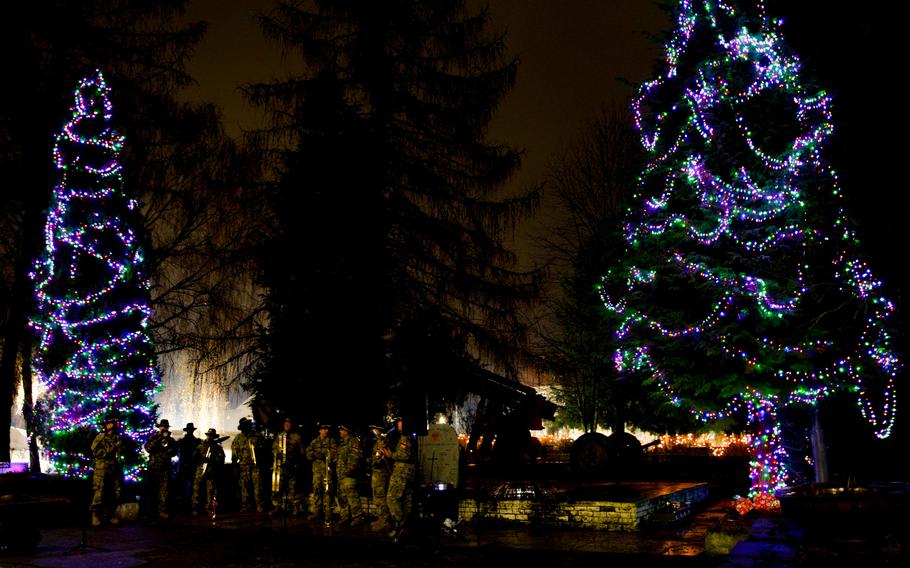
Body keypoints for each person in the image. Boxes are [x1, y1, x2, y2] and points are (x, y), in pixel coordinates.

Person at [384, 416, 415, 539]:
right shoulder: (411, 436)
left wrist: (390, 454)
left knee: (391, 498)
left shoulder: (405, 437)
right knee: (406, 500)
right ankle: (405, 528)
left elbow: (403, 455)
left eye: (401, 422)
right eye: (397, 422)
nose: (398, 424)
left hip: (401, 472)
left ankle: (400, 524)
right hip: (408, 473)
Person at [90, 415, 125, 526]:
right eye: (110, 423)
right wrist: (110, 450)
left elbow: (120, 452)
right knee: (99, 492)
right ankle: (95, 515)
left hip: (114, 468)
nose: (112, 426)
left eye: (113, 424)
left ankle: (111, 515)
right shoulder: (100, 437)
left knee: (115, 492)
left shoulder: (117, 437)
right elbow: (95, 452)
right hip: (102, 468)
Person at [144, 418, 177, 519]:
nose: (165, 428)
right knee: (151, 490)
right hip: (153, 468)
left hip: (165, 468)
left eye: (166, 427)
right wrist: (159, 439)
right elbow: (148, 449)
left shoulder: (171, 440)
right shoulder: (153, 437)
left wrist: (168, 448)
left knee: (164, 491)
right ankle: (150, 512)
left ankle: (161, 511)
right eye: (163, 427)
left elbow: (175, 452)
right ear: (159, 427)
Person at [271, 417, 304, 515]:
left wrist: (295, 458)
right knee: (278, 487)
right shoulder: (280, 436)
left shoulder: (297, 437)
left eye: (288, 424)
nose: (287, 425)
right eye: (285, 424)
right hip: (280, 467)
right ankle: (277, 507)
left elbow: (302, 452)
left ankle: (295, 508)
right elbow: (273, 448)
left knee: (293, 488)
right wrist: (278, 454)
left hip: (292, 466)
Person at [231, 417, 265, 513]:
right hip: (243, 466)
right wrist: (235, 467)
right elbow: (234, 454)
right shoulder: (238, 438)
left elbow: (264, 449)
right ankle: (246, 505)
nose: (247, 427)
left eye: (248, 425)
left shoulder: (257, 436)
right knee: (244, 488)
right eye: (245, 425)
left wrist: (259, 450)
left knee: (258, 486)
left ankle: (259, 505)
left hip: (255, 466)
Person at [305, 423, 336, 521]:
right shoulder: (314, 442)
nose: (326, 431)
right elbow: (308, 454)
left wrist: (325, 455)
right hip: (317, 472)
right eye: (323, 429)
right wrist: (315, 454)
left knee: (327, 492)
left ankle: (328, 514)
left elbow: (334, 455)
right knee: (317, 491)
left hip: (327, 472)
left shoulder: (331, 441)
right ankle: (317, 512)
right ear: (320, 430)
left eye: (327, 429)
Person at [192, 428, 225, 518]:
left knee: (210, 492)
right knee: (197, 490)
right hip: (200, 471)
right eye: (208, 435)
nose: (210, 437)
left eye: (211, 436)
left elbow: (221, 460)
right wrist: (201, 459)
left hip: (211, 472)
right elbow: (194, 457)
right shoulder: (200, 446)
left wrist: (214, 460)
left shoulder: (217, 447)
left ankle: (209, 509)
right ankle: (195, 509)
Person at [335, 425, 364, 526]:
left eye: (342, 430)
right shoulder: (341, 444)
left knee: (352, 497)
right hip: (341, 476)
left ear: (347, 431)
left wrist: (349, 471)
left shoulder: (354, 441)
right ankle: (345, 516)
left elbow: (355, 458)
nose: (340, 431)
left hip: (349, 476)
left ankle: (358, 517)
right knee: (342, 498)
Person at [368, 424, 393, 531]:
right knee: (377, 496)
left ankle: (385, 520)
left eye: (375, 429)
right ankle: (381, 518)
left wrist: (377, 460)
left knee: (381, 497)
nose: (373, 431)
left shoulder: (383, 441)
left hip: (381, 473)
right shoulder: (378, 441)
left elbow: (382, 456)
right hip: (377, 473)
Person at [175, 422, 200, 510]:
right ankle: (186, 505)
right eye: (189, 430)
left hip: (189, 466)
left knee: (191, 486)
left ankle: (189, 505)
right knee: (185, 486)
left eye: (191, 430)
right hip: (186, 466)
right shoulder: (193, 441)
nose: (190, 431)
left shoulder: (194, 441)